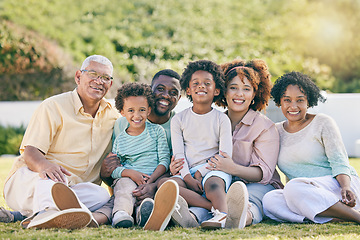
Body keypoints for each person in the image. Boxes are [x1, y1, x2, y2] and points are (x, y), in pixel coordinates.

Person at [1, 55, 120, 229]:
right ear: (78, 77)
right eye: (93, 74)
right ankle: (42, 213)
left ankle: (30, 216)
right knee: (50, 186)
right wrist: (45, 167)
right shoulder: (53, 106)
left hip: (76, 190)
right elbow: (30, 151)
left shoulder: (115, 117)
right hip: (34, 180)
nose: (99, 81)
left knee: (101, 196)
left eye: (105, 78)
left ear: (110, 84)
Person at [170, 59, 283, 229]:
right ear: (223, 91)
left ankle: (240, 218)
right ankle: (192, 216)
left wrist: (231, 168)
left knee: (246, 200)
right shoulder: (215, 119)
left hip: (255, 185)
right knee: (212, 195)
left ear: (254, 94)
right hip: (216, 180)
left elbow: (264, 174)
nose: (239, 94)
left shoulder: (264, 127)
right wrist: (179, 168)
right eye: (233, 87)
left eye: (246, 89)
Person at [262, 71, 360, 224]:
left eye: (300, 100)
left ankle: (355, 216)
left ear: (309, 101)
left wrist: (346, 187)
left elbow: (339, 161)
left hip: (339, 186)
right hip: (307, 194)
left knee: (293, 187)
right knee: (270, 200)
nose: (293, 106)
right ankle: (332, 218)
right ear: (279, 102)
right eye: (287, 100)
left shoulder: (322, 122)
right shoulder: (275, 131)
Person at [159, 60, 233, 229]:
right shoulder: (179, 119)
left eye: (207, 83)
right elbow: (178, 154)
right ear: (188, 90)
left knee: (214, 185)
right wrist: (187, 177)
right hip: (187, 172)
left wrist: (200, 173)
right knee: (165, 185)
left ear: (217, 90)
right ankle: (212, 207)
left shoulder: (222, 119)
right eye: (196, 83)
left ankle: (223, 216)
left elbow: (224, 154)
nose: (201, 87)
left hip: (213, 169)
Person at [107, 82, 170, 228]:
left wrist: (151, 180)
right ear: (122, 112)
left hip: (152, 179)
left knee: (153, 195)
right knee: (124, 188)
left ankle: (144, 213)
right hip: (129, 178)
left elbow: (164, 160)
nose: (137, 115)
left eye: (141, 110)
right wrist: (130, 173)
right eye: (131, 110)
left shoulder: (157, 131)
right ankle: (121, 214)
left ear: (148, 110)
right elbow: (114, 169)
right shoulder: (121, 139)